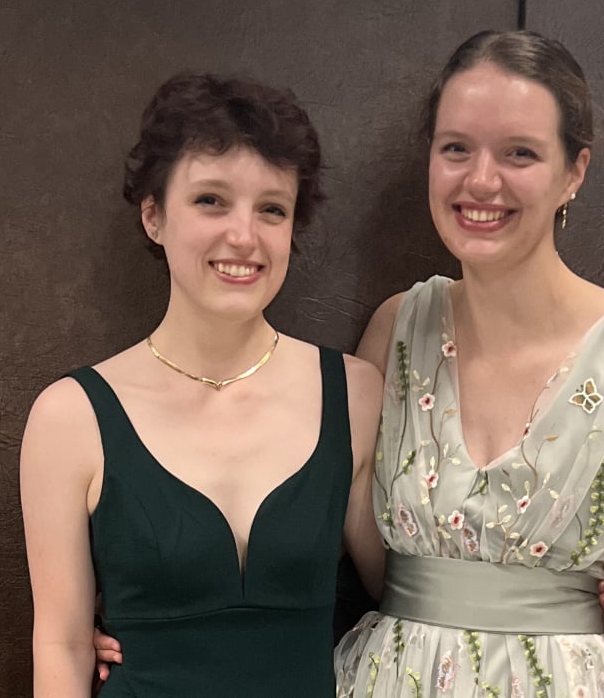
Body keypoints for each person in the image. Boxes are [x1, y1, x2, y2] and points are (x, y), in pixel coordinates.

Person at [333, 29, 604, 698]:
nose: (481, 180)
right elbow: (361, 554)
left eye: (519, 153)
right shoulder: (394, 331)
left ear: (575, 171)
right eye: (456, 148)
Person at [19, 73, 384, 698]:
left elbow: (411, 593)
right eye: (211, 200)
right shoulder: (69, 417)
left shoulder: (354, 394)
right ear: (154, 215)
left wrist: (564, 593)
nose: (244, 236)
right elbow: (61, 645)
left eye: (272, 209)